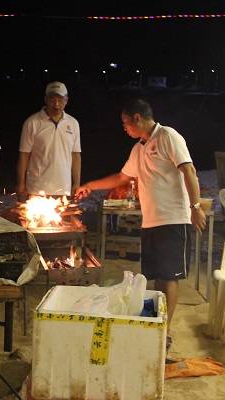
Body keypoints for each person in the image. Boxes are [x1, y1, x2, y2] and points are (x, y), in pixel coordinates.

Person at [75, 99, 206, 352]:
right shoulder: (138, 149)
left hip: (173, 219)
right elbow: (122, 177)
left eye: (125, 123)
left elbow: (189, 171)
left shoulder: (168, 136)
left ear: (137, 118)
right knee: (155, 275)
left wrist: (196, 207)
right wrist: (90, 185)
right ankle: (156, 323)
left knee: (170, 277)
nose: (124, 128)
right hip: (151, 220)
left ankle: (165, 332)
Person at [16, 81, 81, 198]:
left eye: (60, 99)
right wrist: (21, 183)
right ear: (45, 99)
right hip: (37, 189)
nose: (56, 104)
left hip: (63, 188)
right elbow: (24, 155)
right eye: (52, 99)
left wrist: (76, 183)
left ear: (66, 100)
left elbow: (75, 155)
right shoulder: (32, 122)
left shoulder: (73, 123)